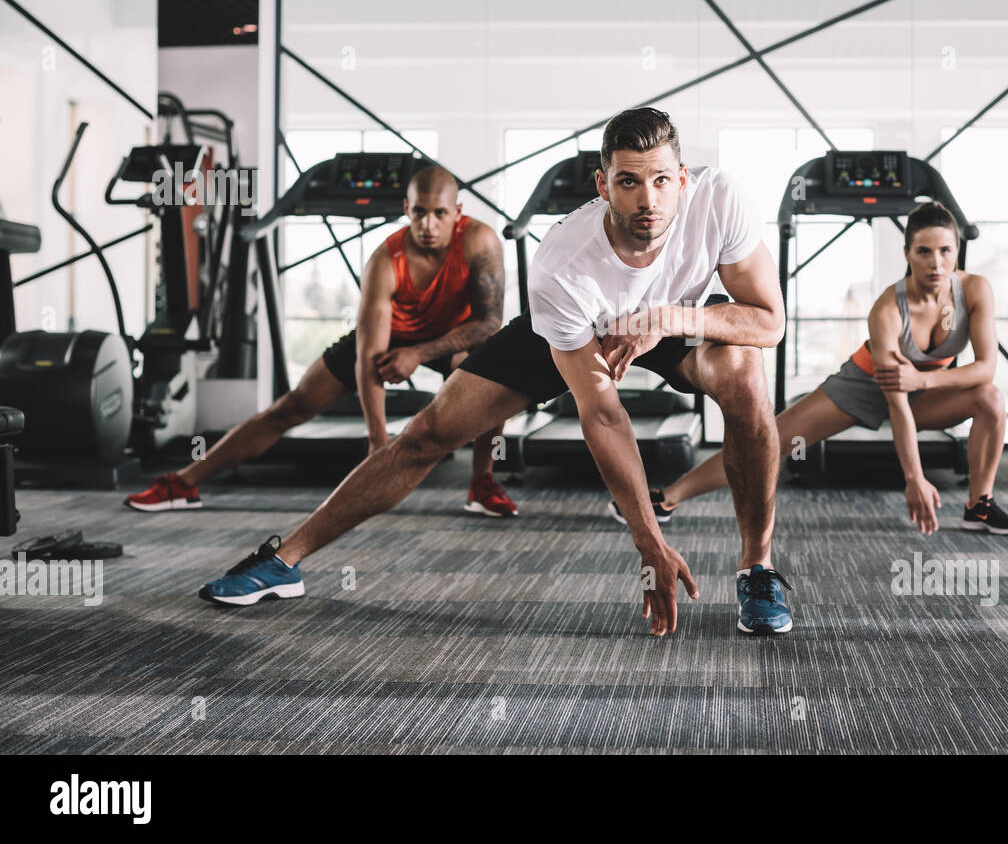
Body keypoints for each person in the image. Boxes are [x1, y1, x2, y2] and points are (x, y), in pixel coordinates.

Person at [196, 108, 793, 637]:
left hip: (679, 316)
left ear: (682, 179)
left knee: (744, 376)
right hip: (576, 328)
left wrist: (668, 317)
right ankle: (283, 560)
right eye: (629, 181)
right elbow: (602, 413)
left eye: (662, 181)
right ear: (602, 185)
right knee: (428, 434)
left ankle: (756, 569)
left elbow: (770, 322)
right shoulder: (564, 264)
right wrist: (648, 539)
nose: (648, 200)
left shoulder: (719, 200)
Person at [125, 164, 518, 518]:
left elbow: (488, 323)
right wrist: (378, 443)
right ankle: (183, 481)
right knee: (290, 407)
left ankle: (482, 482)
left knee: (494, 373)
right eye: (419, 212)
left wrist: (418, 353)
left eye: (439, 213)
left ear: (457, 213)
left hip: (452, 337)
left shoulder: (479, 242)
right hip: (390, 337)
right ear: (406, 209)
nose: (428, 224)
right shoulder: (385, 261)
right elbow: (369, 356)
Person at [632, 201, 1008, 537]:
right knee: (770, 440)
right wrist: (914, 477)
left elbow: (986, 368)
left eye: (945, 251)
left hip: (927, 392)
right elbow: (895, 399)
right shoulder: (887, 309)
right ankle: (667, 499)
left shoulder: (975, 290)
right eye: (924, 251)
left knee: (991, 398)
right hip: (865, 385)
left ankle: (979, 504)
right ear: (907, 253)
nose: (936, 263)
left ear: (957, 251)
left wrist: (925, 378)